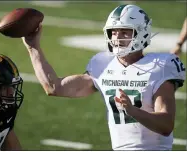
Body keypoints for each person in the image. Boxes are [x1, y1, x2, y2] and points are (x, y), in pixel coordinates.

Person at [22, 4, 186, 150]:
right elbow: (54, 87)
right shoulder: (103, 64)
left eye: (124, 32)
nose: (117, 37)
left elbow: (166, 125)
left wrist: (133, 111)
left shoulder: (160, 66)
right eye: (113, 32)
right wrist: (33, 47)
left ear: (141, 32)